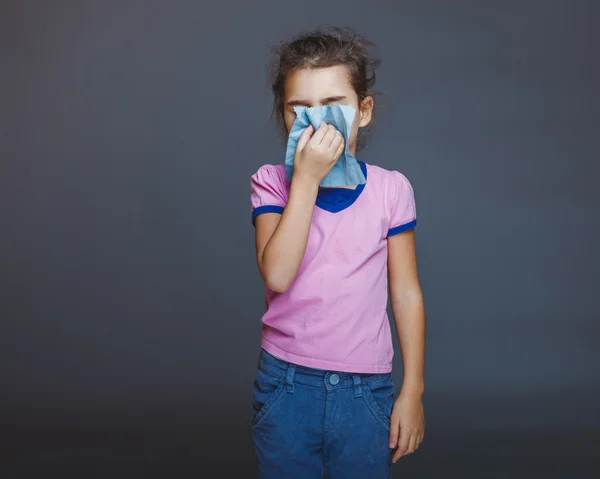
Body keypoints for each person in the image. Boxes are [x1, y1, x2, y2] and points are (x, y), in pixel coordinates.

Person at [250, 26, 426, 478]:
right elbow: (277, 275)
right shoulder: (271, 182)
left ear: (363, 111)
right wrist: (305, 180)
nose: (316, 121)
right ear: (283, 116)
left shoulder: (391, 189)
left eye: (333, 106)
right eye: (299, 109)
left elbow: (405, 293)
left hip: (366, 390)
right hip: (287, 385)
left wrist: (412, 391)